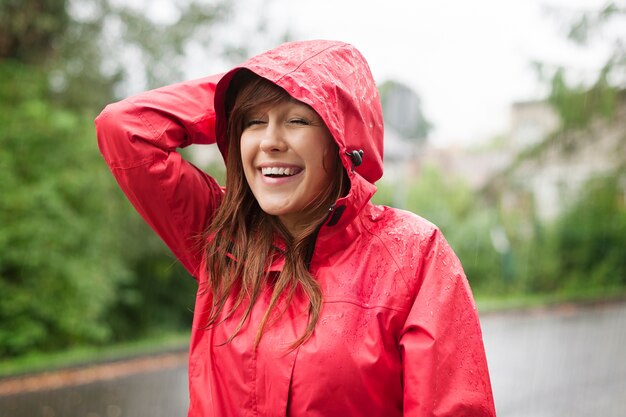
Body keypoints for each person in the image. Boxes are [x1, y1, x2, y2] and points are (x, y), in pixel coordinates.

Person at [95, 40, 496, 417]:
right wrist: (249, 85)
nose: (270, 141)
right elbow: (125, 128)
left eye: (297, 119)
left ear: (342, 138)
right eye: (253, 122)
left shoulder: (413, 254)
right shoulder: (221, 234)